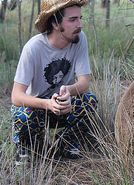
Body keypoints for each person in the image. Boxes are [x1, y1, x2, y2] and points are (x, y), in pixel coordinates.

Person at [11, 0, 98, 165]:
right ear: (55, 23)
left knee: (89, 101)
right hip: (36, 108)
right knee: (23, 115)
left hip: (62, 104)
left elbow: (84, 82)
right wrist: (47, 104)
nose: (80, 24)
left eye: (80, 18)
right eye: (72, 20)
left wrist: (68, 90)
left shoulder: (79, 38)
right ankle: (27, 147)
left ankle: (65, 144)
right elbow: (16, 96)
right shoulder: (33, 48)